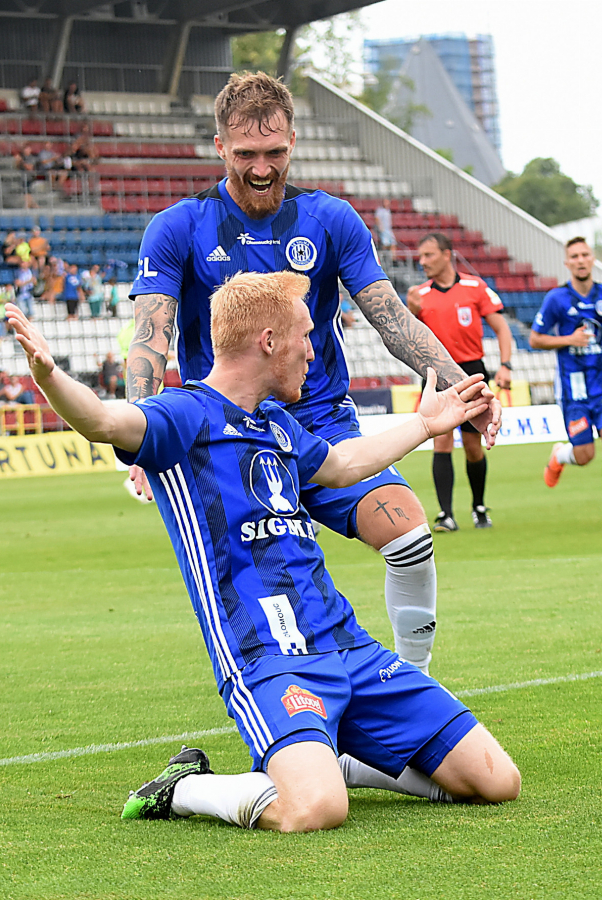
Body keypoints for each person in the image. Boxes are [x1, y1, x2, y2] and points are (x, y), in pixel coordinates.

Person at [5, 271, 519, 833]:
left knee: (498, 782)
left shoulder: (277, 422)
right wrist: (51, 376)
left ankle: (335, 756)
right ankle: (185, 788)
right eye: (305, 335)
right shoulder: (185, 416)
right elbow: (104, 420)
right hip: (267, 658)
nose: (313, 351)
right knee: (316, 810)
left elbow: (344, 466)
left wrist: (424, 424)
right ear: (269, 341)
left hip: (347, 644)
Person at [127, 72, 499, 675]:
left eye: (274, 153)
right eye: (245, 154)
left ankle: (413, 692)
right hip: (228, 436)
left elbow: (392, 320)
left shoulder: (330, 219)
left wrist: (463, 385)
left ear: (294, 143)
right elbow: (151, 337)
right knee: (275, 604)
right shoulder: (178, 228)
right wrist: (142, 435)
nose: (261, 168)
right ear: (220, 147)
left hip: (322, 422)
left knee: (410, 538)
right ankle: (294, 722)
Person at [530, 237, 602, 529]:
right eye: (574, 256)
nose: (580, 260)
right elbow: (535, 339)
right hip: (573, 389)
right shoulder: (556, 299)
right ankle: (560, 454)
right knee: (585, 455)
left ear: (592, 259)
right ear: (567, 263)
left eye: (585, 255)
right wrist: (569, 340)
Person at [406, 233, 513, 531]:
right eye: (421, 256)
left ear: (447, 254)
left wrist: (505, 365)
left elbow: (502, 329)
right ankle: (445, 514)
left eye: (428, 255)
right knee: (441, 439)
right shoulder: (419, 295)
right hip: (435, 374)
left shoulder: (475, 287)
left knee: (472, 444)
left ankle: (479, 507)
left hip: (471, 371)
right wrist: (411, 310)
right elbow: (410, 337)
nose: (422, 261)